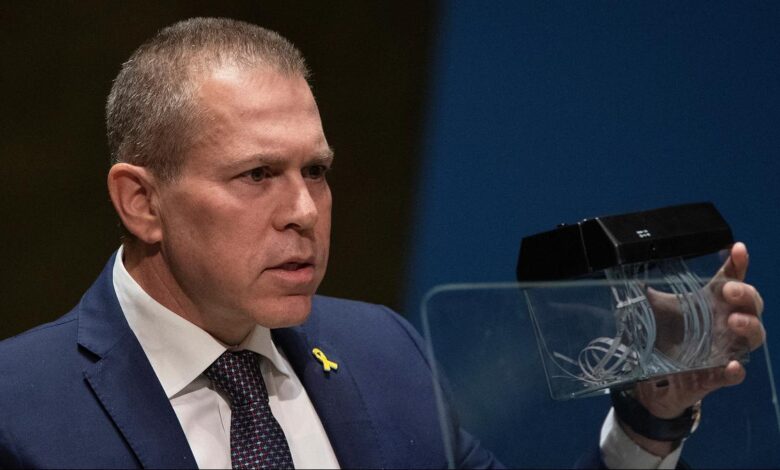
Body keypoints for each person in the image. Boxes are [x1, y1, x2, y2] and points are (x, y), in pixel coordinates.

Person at [0, 17, 765, 469]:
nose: (304, 211)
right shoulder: (18, 411)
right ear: (141, 202)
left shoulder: (384, 351)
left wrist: (649, 418)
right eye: (258, 174)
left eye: (317, 171)